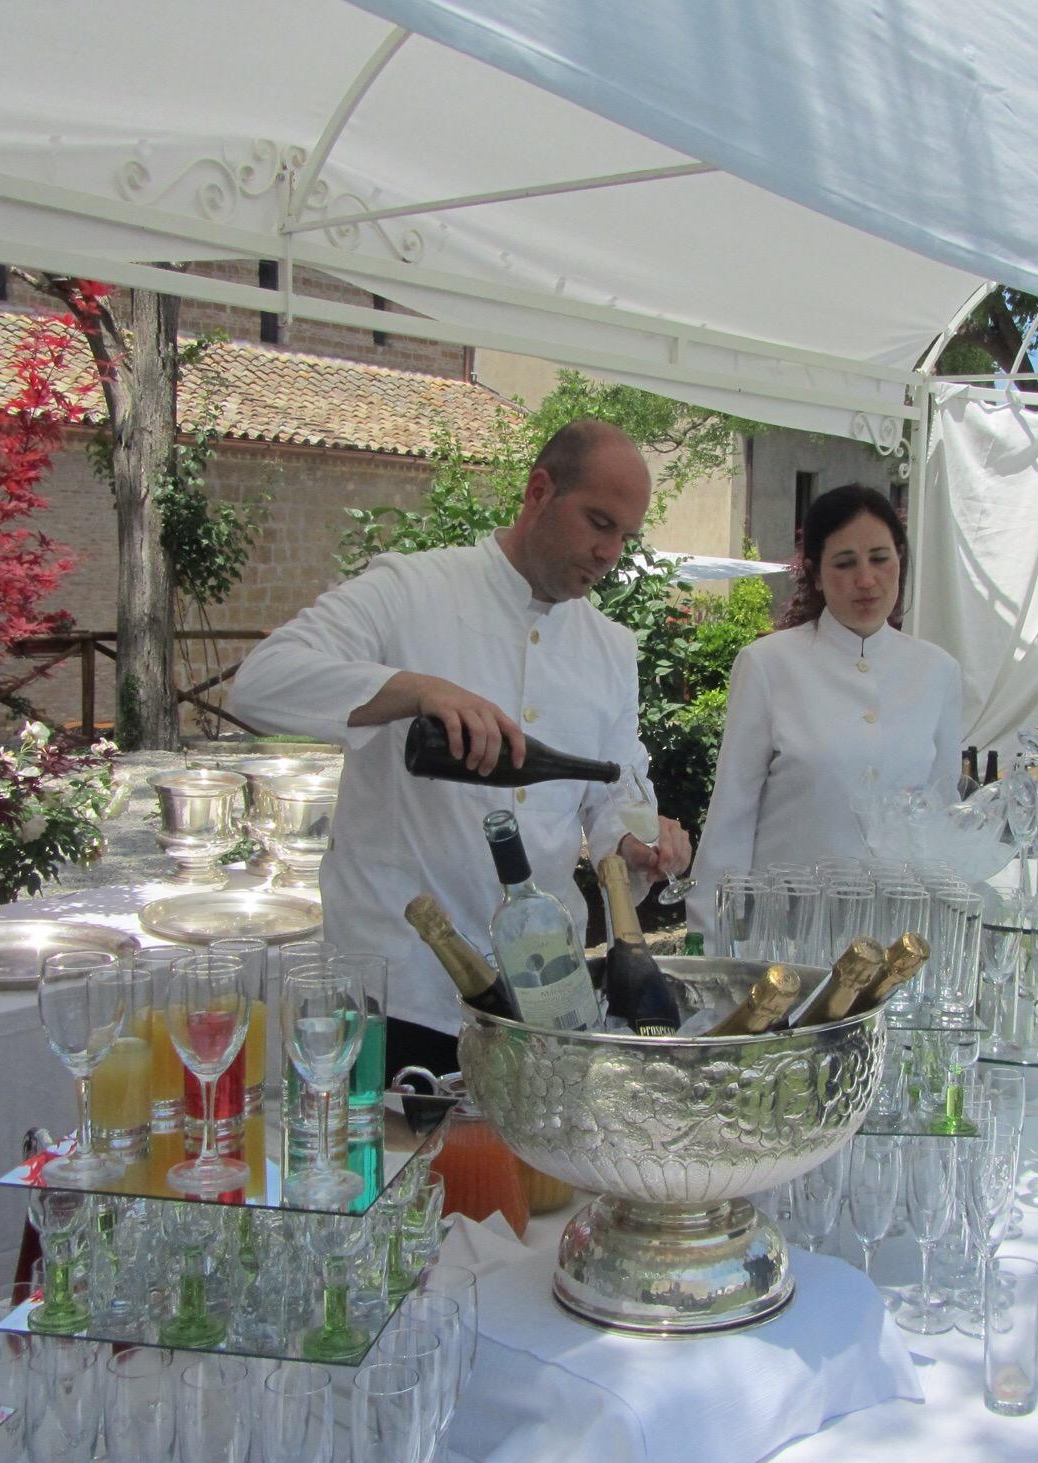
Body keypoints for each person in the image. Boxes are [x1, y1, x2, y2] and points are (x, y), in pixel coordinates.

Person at [228, 419, 692, 1076]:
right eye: (598, 522)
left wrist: (636, 845)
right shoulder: (409, 591)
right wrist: (415, 689)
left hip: (544, 1002)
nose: (609, 551)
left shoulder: (611, 648)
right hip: (399, 991)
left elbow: (617, 788)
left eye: (624, 535)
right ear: (538, 492)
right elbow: (260, 683)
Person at [688, 484, 963, 941]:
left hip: (896, 940)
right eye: (844, 563)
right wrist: (708, 942)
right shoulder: (768, 665)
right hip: (786, 940)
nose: (866, 580)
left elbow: (941, 818)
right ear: (815, 575)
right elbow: (731, 817)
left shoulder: (938, 672)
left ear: (900, 560)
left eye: (880, 558)